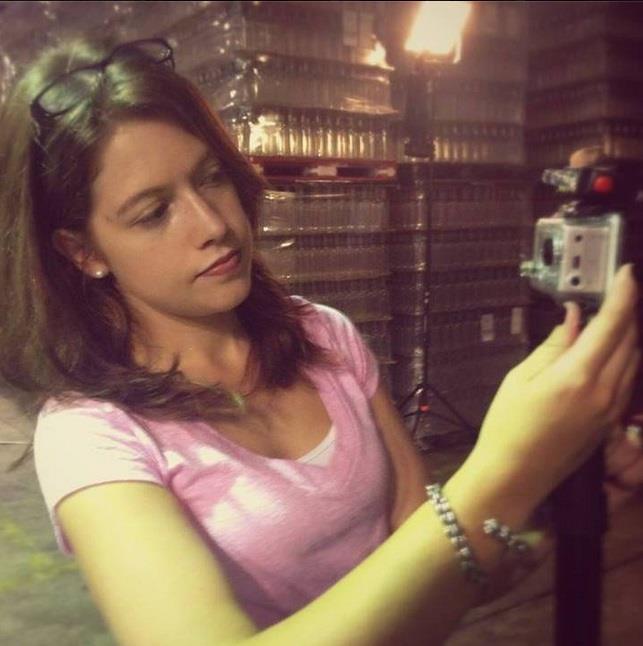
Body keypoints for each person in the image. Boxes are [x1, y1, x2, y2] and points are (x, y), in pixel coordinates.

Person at [0, 36, 640, 646]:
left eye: (211, 177)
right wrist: (506, 470)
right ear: (83, 252)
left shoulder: (323, 335)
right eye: (153, 212)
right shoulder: (92, 435)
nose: (213, 223)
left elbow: (432, 557)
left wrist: (546, 505)